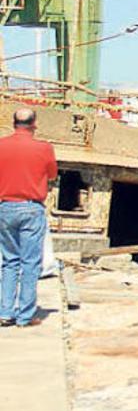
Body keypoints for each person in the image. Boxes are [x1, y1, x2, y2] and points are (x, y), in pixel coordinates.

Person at [0, 108, 57, 327]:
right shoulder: (43, 148)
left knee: (9, 262)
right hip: (31, 208)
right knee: (30, 263)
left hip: (5, 207)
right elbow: (51, 174)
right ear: (34, 124)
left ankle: (5, 312)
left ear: (14, 123)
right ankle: (25, 315)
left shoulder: (2, 145)